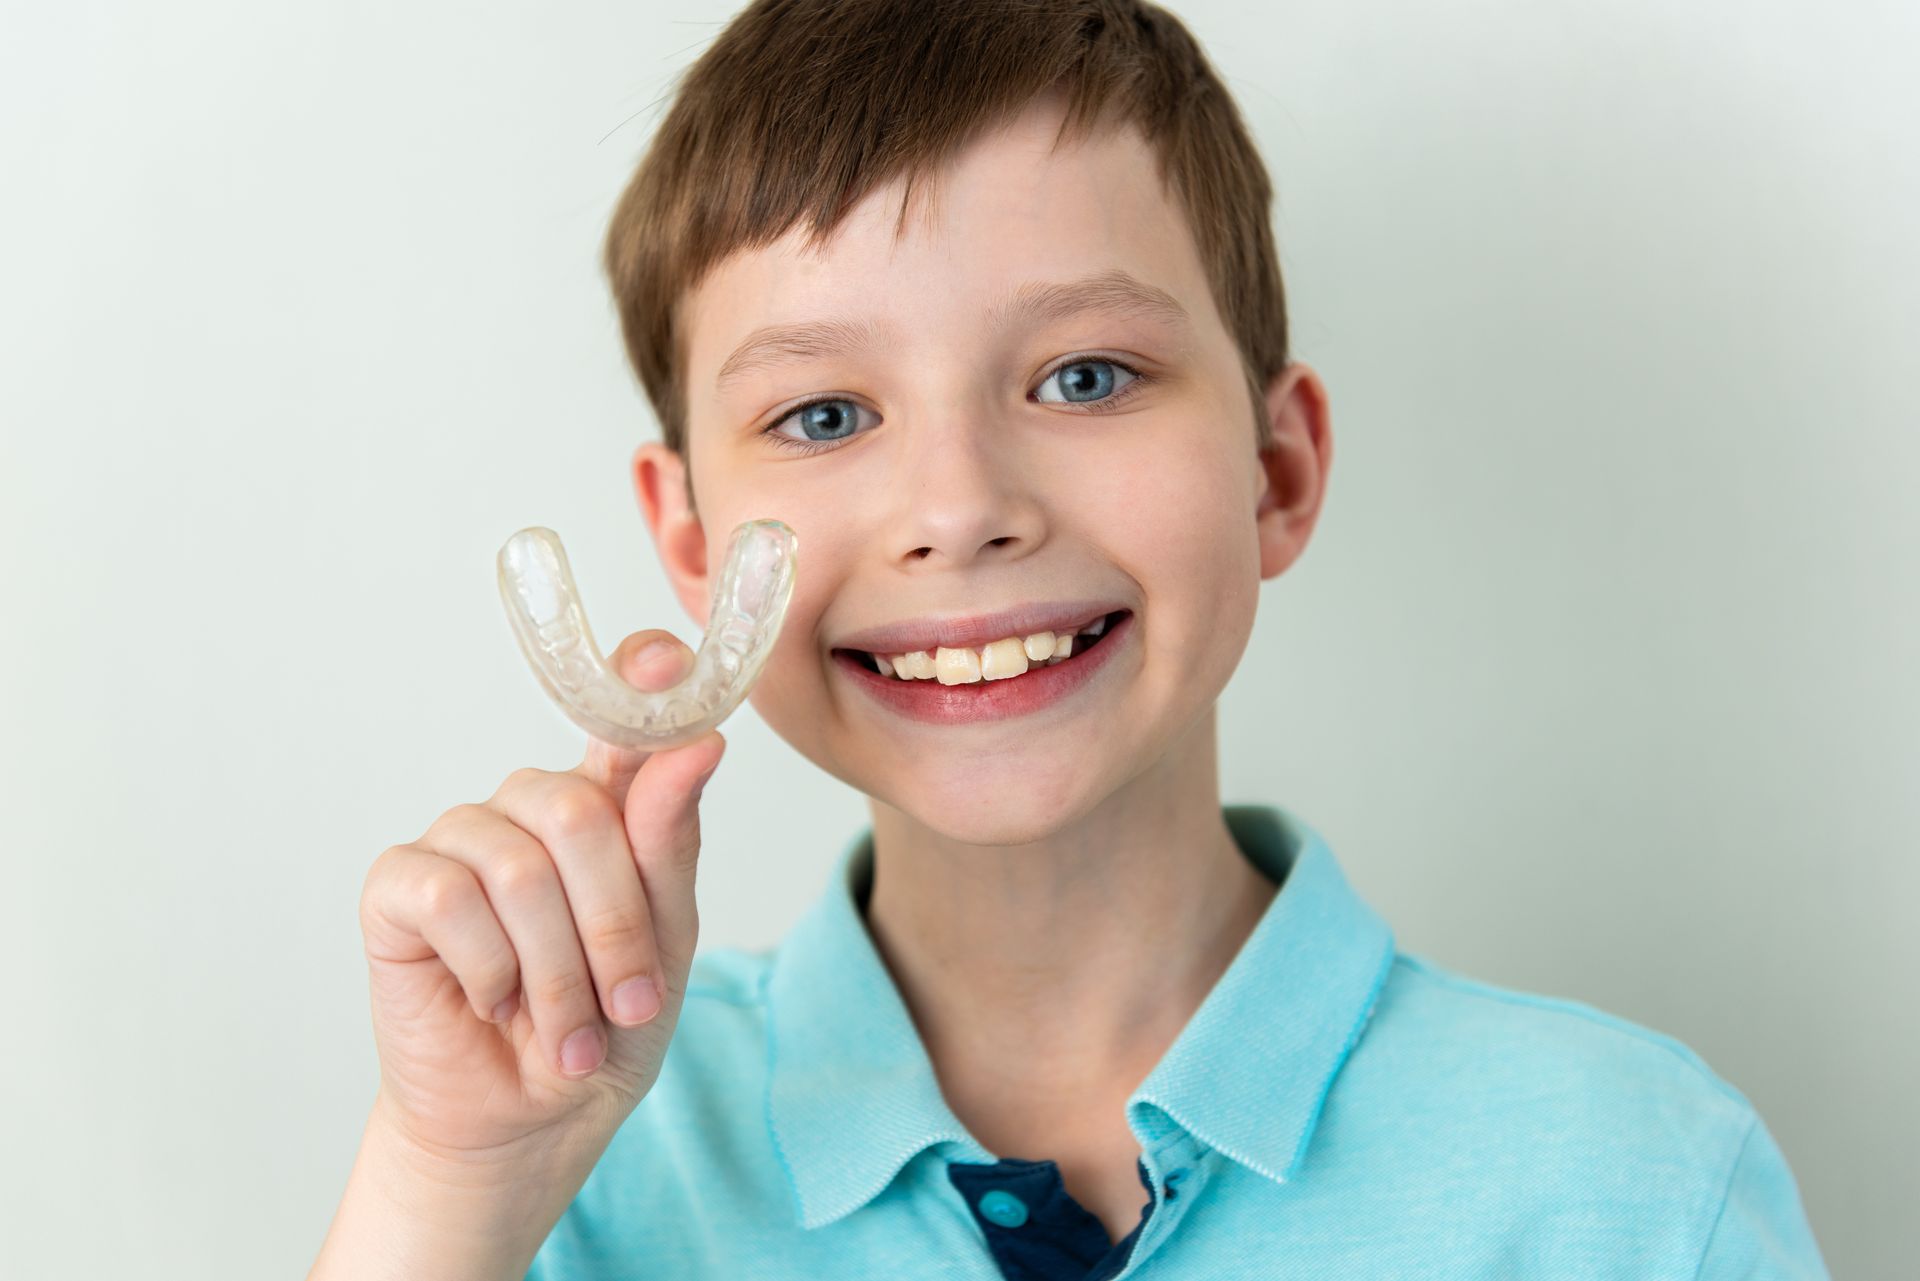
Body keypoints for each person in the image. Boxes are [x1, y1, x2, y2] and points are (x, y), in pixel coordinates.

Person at [310, 2, 1831, 1277]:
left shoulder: (1636, 1188)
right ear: (695, 545)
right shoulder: (569, 1172)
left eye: (1088, 376)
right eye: (825, 414)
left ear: (1275, 472)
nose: (959, 508)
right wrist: (446, 1189)